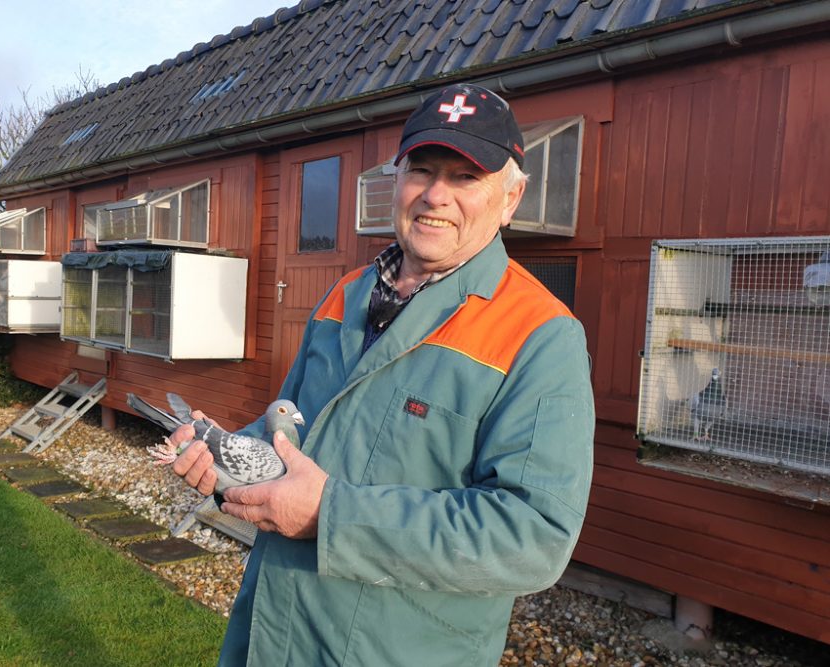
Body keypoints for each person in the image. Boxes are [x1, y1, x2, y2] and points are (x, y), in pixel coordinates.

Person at [170, 83, 595, 666]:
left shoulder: (541, 335)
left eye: (466, 177)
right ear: (396, 179)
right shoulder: (345, 295)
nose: (436, 195)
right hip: (271, 636)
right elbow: (289, 435)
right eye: (421, 169)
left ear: (510, 198)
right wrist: (220, 455)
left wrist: (330, 515)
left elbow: (533, 537)